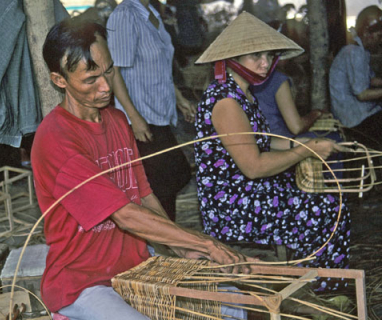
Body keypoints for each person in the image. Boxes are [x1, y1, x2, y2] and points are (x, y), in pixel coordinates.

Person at [31, 18, 251, 320]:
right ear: (60, 80)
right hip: (83, 282)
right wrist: (203, 243)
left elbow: (144, 197)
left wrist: (179, 247)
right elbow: (125, 214)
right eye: (90, 78)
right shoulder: (56, 139)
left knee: (231, 302)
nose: (106, 86)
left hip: (136, 265)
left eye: (109, 70)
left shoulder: (118, 121)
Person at [194, 12, 351, 292]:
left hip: (249, 189)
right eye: (255, 56)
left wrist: (303, 144)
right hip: (233, 204)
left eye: (269, 55)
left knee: (326, 198)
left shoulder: (242, 92)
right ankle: (321, 292)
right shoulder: (226, 101)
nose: (265, 64)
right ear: (233, 59)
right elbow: (254, 166)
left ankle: (313, 275)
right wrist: (306, 151)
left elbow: (265, 141)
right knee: (325, 209)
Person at [106, 0, 196, 222]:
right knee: (170, 177)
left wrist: (179, 98)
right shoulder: (125, 15)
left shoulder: (152, 12)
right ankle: (163, 242)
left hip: (160, 111)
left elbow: (160, 67)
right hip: (140, 113)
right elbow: (113, 71)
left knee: (166, 180)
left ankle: (165, 240)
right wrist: (134, 117)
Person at [329, 5, 382, 150]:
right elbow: (362, 94)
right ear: (366, 33)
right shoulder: (354, 53)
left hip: (359, 115)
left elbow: (369, 80)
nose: (380, 41)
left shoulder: (361, 52)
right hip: (354, 120)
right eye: (379, 36)